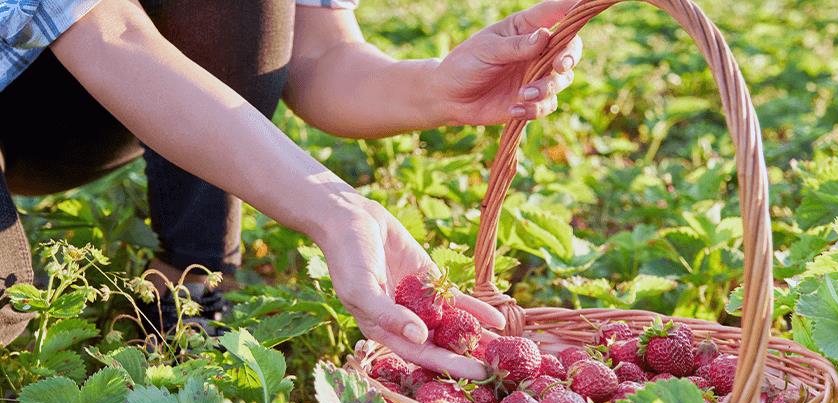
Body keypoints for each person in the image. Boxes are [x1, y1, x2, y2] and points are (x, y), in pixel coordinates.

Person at [0, 0, 583, 379]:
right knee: (6, 311)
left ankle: (188, 282)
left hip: (81, 87)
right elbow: (110, 34)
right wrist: (334, 207)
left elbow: (318, 51)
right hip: (87, 48)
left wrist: (438, 87)